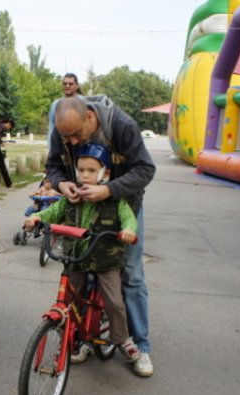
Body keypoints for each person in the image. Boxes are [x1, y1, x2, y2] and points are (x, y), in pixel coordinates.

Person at [45, 95, 156, 377]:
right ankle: (84, 335)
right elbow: (53, 166)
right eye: (64, 136)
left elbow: (145, 169)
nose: (70, 142)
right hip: (82, 208)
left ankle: (140, 346)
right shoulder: (65, 128)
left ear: (90, 118)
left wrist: (109, 190)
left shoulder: (122, 126)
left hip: (122, 206)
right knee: (80, 271)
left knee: (129, 273)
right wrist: (62, 184)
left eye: (75, 135)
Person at [26, 142, 141, 363]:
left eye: (91, 171)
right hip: (76, 259)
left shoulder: (115, 199)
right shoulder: (71, 198)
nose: (85, 175)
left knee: (114, 301)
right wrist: (36, 218)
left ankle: (123, 339)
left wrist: (127, 230)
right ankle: (72, 337)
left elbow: (129, 219)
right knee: (69, 300)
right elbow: (53, 211)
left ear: (104, 173)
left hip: (105, 260)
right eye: (81, 170)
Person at [47, 72, 83, 142]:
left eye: (70, 84)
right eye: (65, 83)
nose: (67, 86)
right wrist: (51, 148)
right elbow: (51, 127)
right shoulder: (55, 104)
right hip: (61, 145)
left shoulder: (84, 102)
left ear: (77, 86)